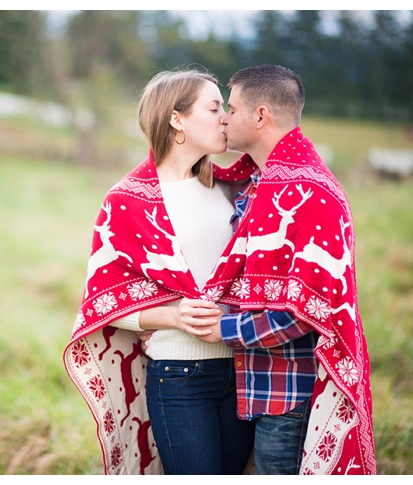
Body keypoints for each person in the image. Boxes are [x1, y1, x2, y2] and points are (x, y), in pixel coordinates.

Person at [171, 65, 377, 475]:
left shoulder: (309, 195)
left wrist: (223, 330)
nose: (225, 118)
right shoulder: (260, 183)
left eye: (232, 108)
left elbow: (305, 310)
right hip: (255, 386)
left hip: (289, 395)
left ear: (260, 117)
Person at [62, 68, 256, 475]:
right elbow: (104, 303)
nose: (225, 116)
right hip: (180, 378)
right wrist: (173, 316)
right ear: (176, 118)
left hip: (241, 372)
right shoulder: (128, 200)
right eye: (214, 107)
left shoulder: (232, 189)